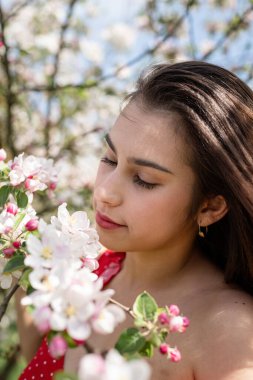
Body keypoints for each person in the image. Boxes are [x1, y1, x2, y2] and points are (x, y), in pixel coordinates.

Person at [18, 61, 253, 380]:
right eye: (109, 159)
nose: (105, 192)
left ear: (210, 206)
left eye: (143, 179)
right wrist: (24, 268)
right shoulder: (93, 270)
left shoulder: (229, 331)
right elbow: (47, 361)